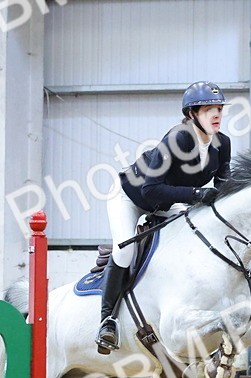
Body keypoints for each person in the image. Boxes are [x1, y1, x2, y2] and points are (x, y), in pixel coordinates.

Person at [96, 81, 233, 353]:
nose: (217, 114)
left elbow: (224, 186)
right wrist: (197, 194)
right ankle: (107, 321)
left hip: (168, 202)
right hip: (130, 197)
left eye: (219, 108)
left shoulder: (222, 144)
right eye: (208, 109)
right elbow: (151, 189)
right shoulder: (178, 139)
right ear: (192, 114)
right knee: (125, 251)